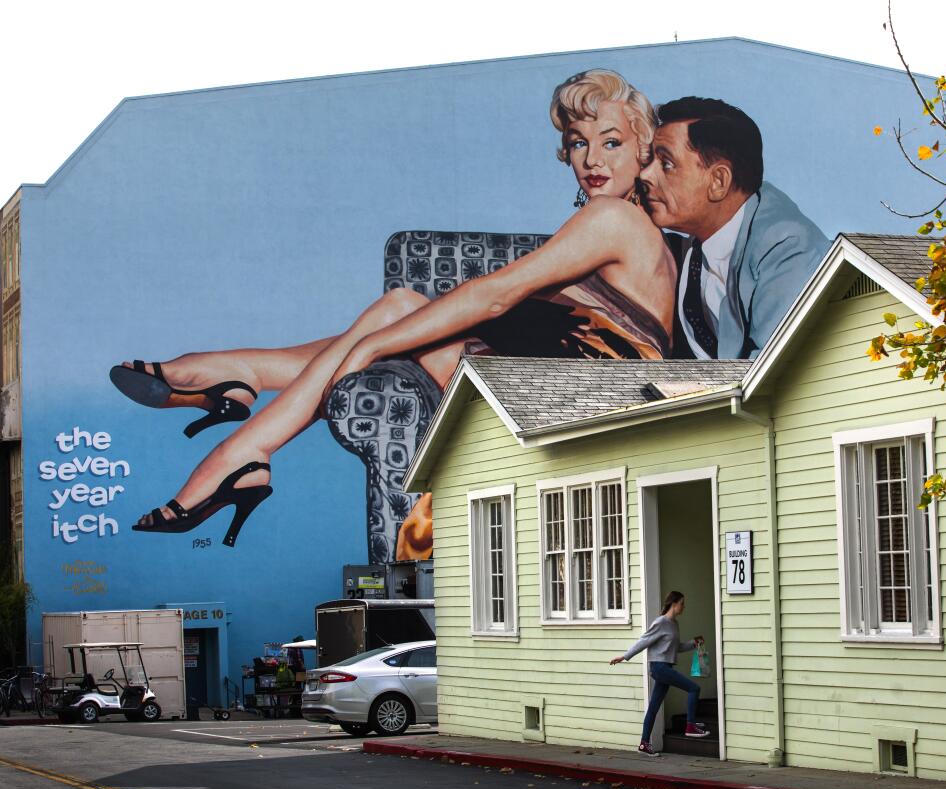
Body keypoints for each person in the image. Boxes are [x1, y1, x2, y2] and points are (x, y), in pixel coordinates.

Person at [115, 68, 677, 545]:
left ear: (642, 150)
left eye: (611, 143)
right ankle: (240, 388)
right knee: (392, 320)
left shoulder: (614, 220)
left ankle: (241, 429)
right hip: (556, 390)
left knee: (395, 316)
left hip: (579, 407)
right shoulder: (616, 224)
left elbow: (497, 295)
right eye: (579, 143)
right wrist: (376, 341)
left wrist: (377, 342)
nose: (591, 158)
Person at [638, 96, 832, 360]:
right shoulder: (698, 245)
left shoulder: (788, 248)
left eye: (667, 164)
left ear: (718, 181)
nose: (645, 175)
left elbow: (771, 370)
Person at [610, 590, 707, 757]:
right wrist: (625, 656)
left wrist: (694, 643)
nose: (684, 607)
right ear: (674, 604)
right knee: (694, 689)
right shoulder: (661, 622)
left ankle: (644, 743)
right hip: (659, 667)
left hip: (665, 668)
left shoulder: (674, 624)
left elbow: (676, 648)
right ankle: (690, 726)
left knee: (654, 707)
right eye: (682, 603)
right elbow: (644, 641)